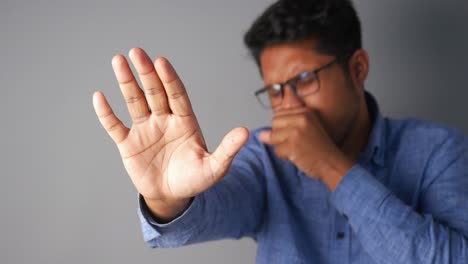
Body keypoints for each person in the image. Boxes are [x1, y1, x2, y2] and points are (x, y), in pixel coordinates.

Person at [92, 0, 468, 263]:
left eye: (305, 79)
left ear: (357, 68)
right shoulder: (263, 156)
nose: (289, 105)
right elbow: (209, 214)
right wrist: (167, 199)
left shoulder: (440, 151)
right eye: (274, 90)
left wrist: (332, 168)